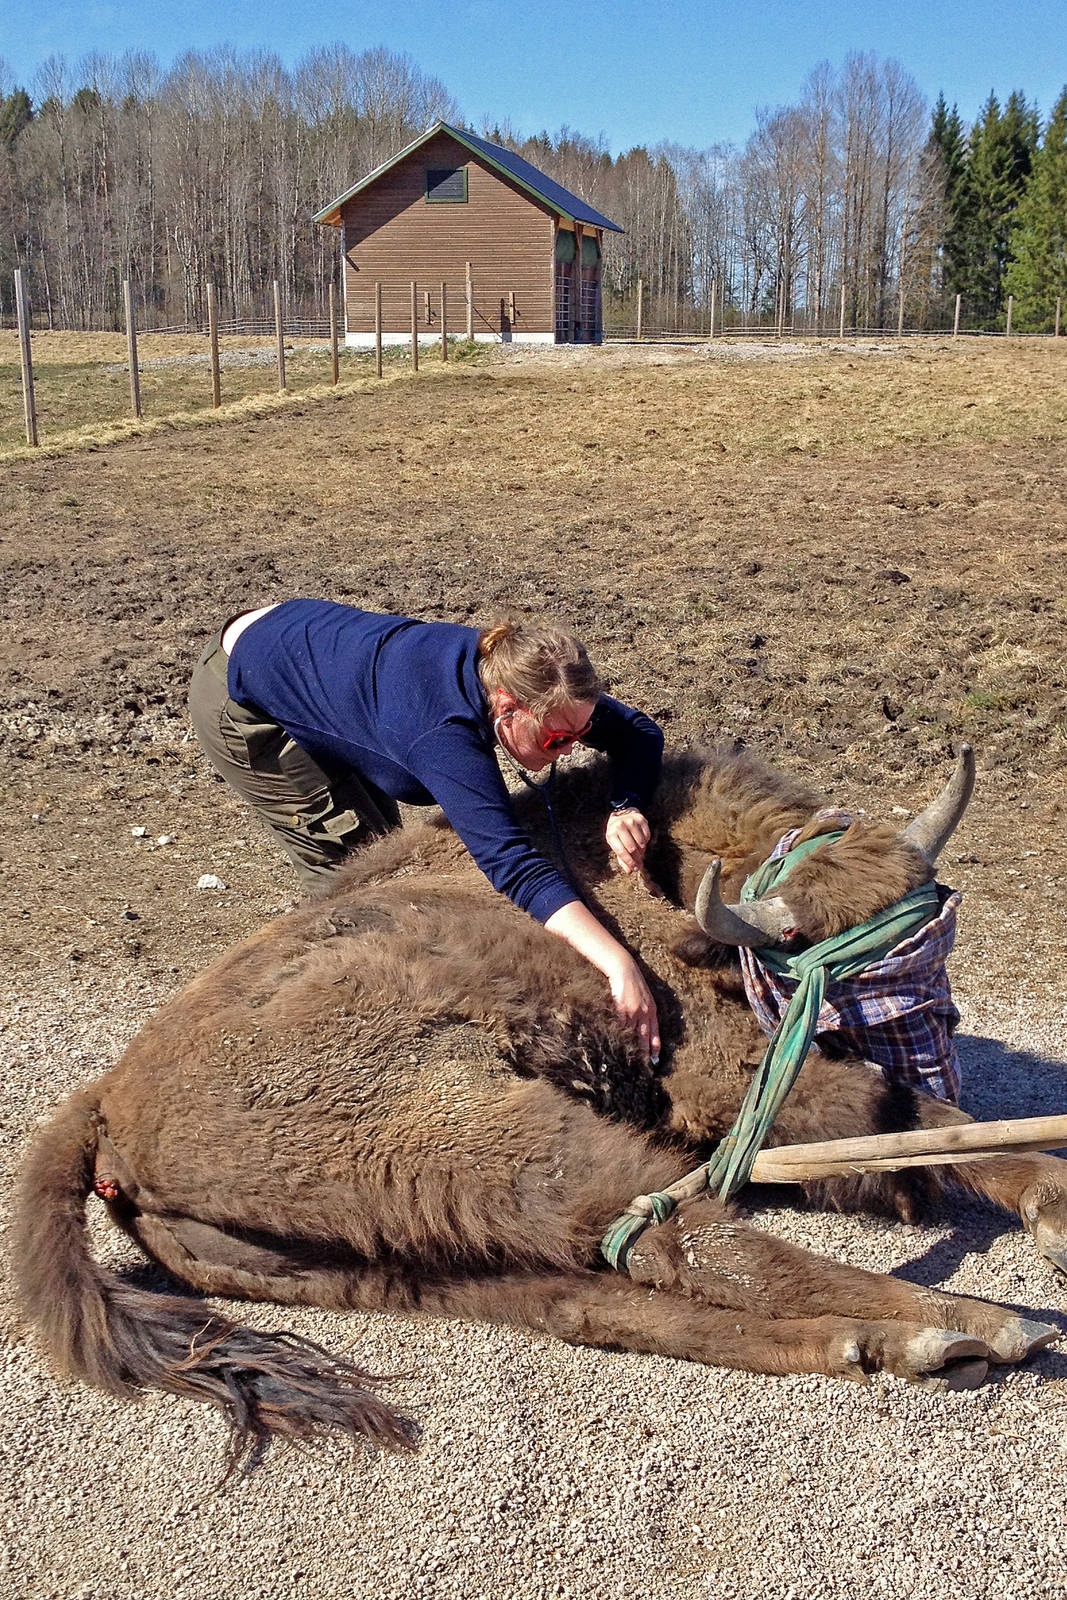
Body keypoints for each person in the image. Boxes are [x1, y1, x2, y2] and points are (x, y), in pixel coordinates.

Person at [188, 599, 663, 1060]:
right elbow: (511, 863)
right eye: (556, 739)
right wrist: (617, 962)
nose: (571, 750)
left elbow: (640, 733)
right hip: (244, 693)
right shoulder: (440, 732)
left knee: (380, 847)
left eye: (581, 735)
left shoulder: (541, 683)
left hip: (307, 650)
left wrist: (626, 805)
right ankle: (326, 1031)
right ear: (506, 707)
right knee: (353, 877)